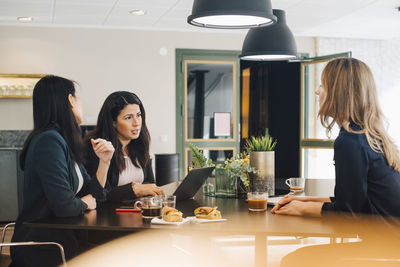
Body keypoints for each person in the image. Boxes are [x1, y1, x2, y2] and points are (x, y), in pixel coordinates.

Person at [271, 57, 400, 218]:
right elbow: (353, 201)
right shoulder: (368, 136)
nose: (317, 91)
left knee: (306, 245)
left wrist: (302, 208)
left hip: (385, 242)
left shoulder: (350, 141)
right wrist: (305, 201)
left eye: (322, 85)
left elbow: (348, 214)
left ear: (338, 93)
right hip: (390, 239)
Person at [10, 75, 115, 267]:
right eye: (79, 98)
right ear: (70, 100)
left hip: (63, 238)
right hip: (43, 245)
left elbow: (95, 194)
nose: (82, 103)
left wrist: (105, 162)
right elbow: (64, 205)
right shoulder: (49, 141)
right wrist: (84, 203)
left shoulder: (61, 140)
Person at [84, 91, 163, 203]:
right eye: (128, 117)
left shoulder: (140, 143)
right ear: (113, 122)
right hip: (107, 217)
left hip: (137, 213)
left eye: (139, 115)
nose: (136, 123)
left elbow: (149, 183)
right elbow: (98, 196)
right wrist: (133, 190)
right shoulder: (98, 147)